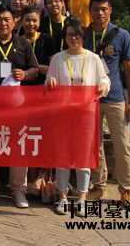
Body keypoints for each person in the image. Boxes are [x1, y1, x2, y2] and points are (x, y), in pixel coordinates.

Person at [0, 3, 39, 208]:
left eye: (7, 19)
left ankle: (19, 191)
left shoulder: (23, 43)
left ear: (14, 22)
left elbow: (35, 69)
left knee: (18, 146)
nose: (3, 23)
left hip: (17, 105)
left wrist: (25, 74)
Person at [46, 18, 111, 217]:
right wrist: (51, 80)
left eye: (77, 35)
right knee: (63, 157)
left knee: (84, 158)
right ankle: (63, 197)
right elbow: (49, 79)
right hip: (63, 115)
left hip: (85, 116)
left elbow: (104, 79)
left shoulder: (93, 58)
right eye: (69, 35)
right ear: (64, 37)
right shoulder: (58, 58)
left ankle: (82, 198)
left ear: (83, 37)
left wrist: (103, 86)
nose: (73, 38)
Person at [84, 0, 130, 207]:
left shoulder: (122, 36)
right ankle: (98, 185)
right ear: (90, 11)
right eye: (96, 9)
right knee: (94, 145)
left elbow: (129, 70)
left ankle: (126, 189)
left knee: (122, 144)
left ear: (110, 10)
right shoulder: (83, 35)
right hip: (90, 99)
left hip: (115, 99)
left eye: (104, 9)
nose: (100, 13)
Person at [21, 6, 57, 85]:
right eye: (27, 20)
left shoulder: (47, 39)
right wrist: (37, 68)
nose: (31, 24)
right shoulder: (17, 41)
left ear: (39, 22)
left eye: (35, 21)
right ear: (21, 21)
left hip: (43, 84)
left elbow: (53, 64)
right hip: (22, 85)